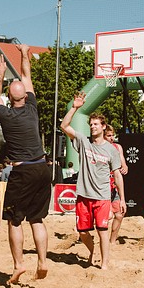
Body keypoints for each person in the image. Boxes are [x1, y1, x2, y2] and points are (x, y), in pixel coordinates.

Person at [0, 44, 52, 284]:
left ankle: (18, 265)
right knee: (37, 219)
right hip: (42, 167)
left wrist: (0, 74)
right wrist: (24, 53)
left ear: (9, 98)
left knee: (14, 220)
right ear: (26, 97)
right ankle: (43, 261)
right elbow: (26, 76)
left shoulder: (5, 115)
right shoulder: (32, 109)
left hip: (22, 170)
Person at [61, 94, 123, 269]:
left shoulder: (111, 150)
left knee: (102, 230)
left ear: (103, 127)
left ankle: (104, 263)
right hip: (83, 195)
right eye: (91, 124)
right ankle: (92, 250)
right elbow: (64, 126)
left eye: (96, 124)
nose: (93, 127)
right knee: (82, 232)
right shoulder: (83, 142)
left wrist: (122, 199)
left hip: (102, 196)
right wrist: (75, 107)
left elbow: (117, 175)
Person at [103, 124, 129, 245]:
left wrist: (124, 167)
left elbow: (123, 164)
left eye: (113, 135)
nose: (112, 138)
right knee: (106, 216)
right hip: (103, 187)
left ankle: (112, 241)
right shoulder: (99, 148)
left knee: (119, 214)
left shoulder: (117, 147)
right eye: (109, 136)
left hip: (114, 185)